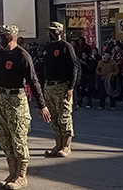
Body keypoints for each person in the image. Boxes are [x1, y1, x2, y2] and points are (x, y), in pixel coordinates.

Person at [0, 0, 51, 190]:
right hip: (0, 98)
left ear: (13, 37)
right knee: (5, 138)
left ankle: (21, 176)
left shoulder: (22, 56)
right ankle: (12, 173)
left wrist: (42, 105)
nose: (0, 40)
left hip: (16, 100)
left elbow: (33, 80)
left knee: (18, 138)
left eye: (4, 37)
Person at [42, 22, 78, 158]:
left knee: (64, 116)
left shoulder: (66, 47)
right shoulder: (47, 47)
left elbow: (74, 67)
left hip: (61, 86)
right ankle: (58, 144)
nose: (49, 34)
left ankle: (66, 146)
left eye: (52, 31)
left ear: (58, 32)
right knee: (54, 117)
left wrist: (71, 87)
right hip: (49, 86)